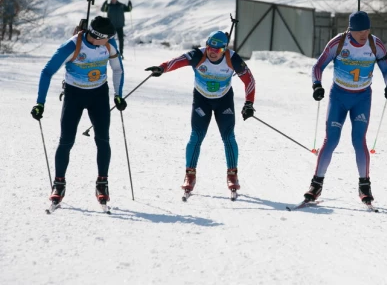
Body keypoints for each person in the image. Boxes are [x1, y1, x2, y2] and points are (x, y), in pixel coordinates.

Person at [145, 30, 256, 198]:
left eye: (217, 50)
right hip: (201, 100)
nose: (212, 52)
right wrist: (161, 68)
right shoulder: (198, 55)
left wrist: (249, 103)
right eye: (210, 47)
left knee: (228, 137)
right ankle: (190, 175)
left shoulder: (232, 59)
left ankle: (232, 174)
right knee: (196, 136)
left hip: (223, 101)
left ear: (224, 50)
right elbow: (177, 61)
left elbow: (249, 80)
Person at [30, 16, 126, 207]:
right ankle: (59, 184)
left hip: (98, 94)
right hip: (74, 95)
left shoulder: (109, 44)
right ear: (97, 36)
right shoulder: (71, 46)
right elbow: (47, 71)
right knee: (66, 141)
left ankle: (102, 184)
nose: (109, 41)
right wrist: (40, 103)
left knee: (103, 139)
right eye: (106, 38)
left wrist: (118, 94)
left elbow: (118, 70)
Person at [303, 11, 387, 206]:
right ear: (351, 30)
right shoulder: (338, 42)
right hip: (339, 97)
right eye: (360, 31)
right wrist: (317, 85)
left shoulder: (374, 44)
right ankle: (316, 184)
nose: (364, 34)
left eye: (368, 30)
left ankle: (364, 186)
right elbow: (318, 66)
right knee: (331, 140)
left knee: (359, 140)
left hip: (362, 98)